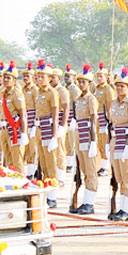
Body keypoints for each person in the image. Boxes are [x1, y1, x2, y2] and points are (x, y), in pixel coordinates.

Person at [108, 73, 128, 221]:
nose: (120, 88)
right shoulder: (114, 103)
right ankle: (122, 207)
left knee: (127, 175)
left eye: (123, 86)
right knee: (119, 176)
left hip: (127, 140)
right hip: (116, 139)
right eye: (118, 86)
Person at [71, 66, 100, 215]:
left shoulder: (91, 99)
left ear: (89, 84)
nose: (81, 84)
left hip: (88, 136)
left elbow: (94, 120)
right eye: (80, 82)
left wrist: (94, 141)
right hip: (79, 135)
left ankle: (90, 202)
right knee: (83, 169)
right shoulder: (78, 99)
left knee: (90, 170)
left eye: (84, 82)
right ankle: (84, 201)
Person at [34, 62, 60, 207]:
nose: (39, 79)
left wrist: (54, 136)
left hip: (48, 129)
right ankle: (46, 192)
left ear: (49, 78)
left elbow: (55, 115)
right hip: (39, 129)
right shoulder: (38, 93)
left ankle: (53, 196)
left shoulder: (52, 93)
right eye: (38, 76)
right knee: (43, 164)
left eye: (42, 76)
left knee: (50, 164)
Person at [0, 64, 28, 172]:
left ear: (14, 80)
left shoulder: (16, 94)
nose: (5, 80)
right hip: (4, 129)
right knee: (8, 159)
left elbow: (23, 114)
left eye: (8, 78)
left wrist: (24, 133)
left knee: (17, 159)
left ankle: (21, 181)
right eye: (4, 77)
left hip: (14, 129)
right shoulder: (3, 94)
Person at [93, 63, 115, 175]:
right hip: (97, 117)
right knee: (100, 143)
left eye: (101, 76)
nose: (99, 78)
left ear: (106, 77)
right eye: (98, 76)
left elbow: (110, 106)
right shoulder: (96, 89)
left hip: (104, 118)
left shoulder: (108, 90)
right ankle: (103, 164)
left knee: (106, 142)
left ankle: (106, 167)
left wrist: (110, 122)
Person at [50, 67, 70, 186]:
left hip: (60, 121)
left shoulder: (61, 90)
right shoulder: (49, 90)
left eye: (53, 77)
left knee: (60, 149)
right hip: (51, 121)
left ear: (59, 78)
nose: (51, 79)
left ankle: (61, 176)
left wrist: (62, 125)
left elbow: (66, 108)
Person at [22, 64, 40, 177]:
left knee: (33, 149)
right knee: (26, 148)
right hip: (25, 122)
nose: (25, 78)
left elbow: (38, 107)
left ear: (33, 77)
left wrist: (34, 124)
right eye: (24, 76)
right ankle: (28, 171)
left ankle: (32, 172)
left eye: (28, 76)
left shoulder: (35, 90)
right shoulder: (22, 90)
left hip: (32, 121)